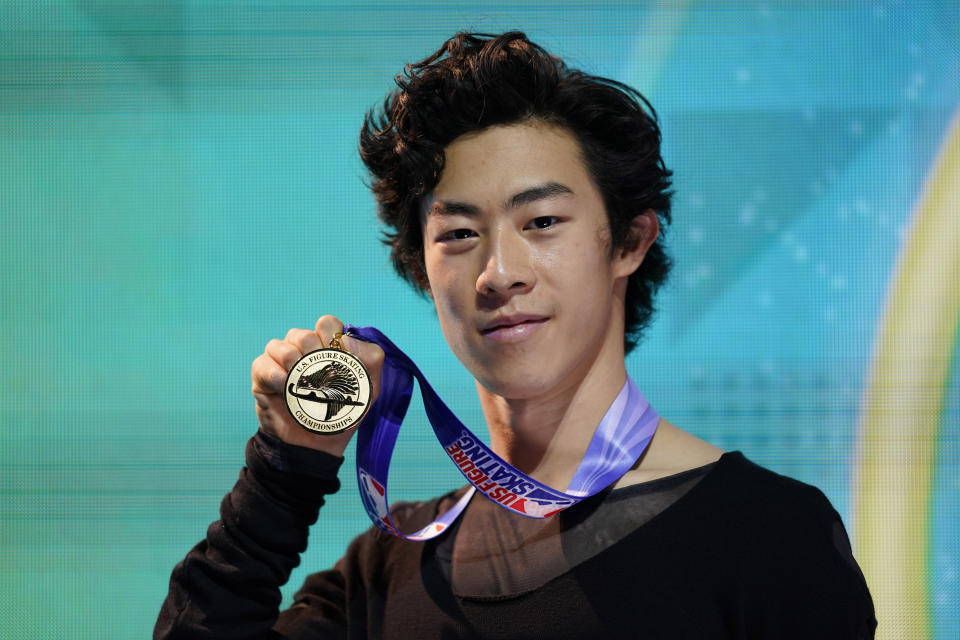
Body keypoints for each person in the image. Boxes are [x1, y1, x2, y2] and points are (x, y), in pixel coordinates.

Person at [155, 31, 876, 638]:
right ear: (421, 269)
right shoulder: (382, 571)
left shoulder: (767, 537)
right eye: (460, 233)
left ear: (628, 242)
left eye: (541, 223)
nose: (498, 272)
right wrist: (286, 467)